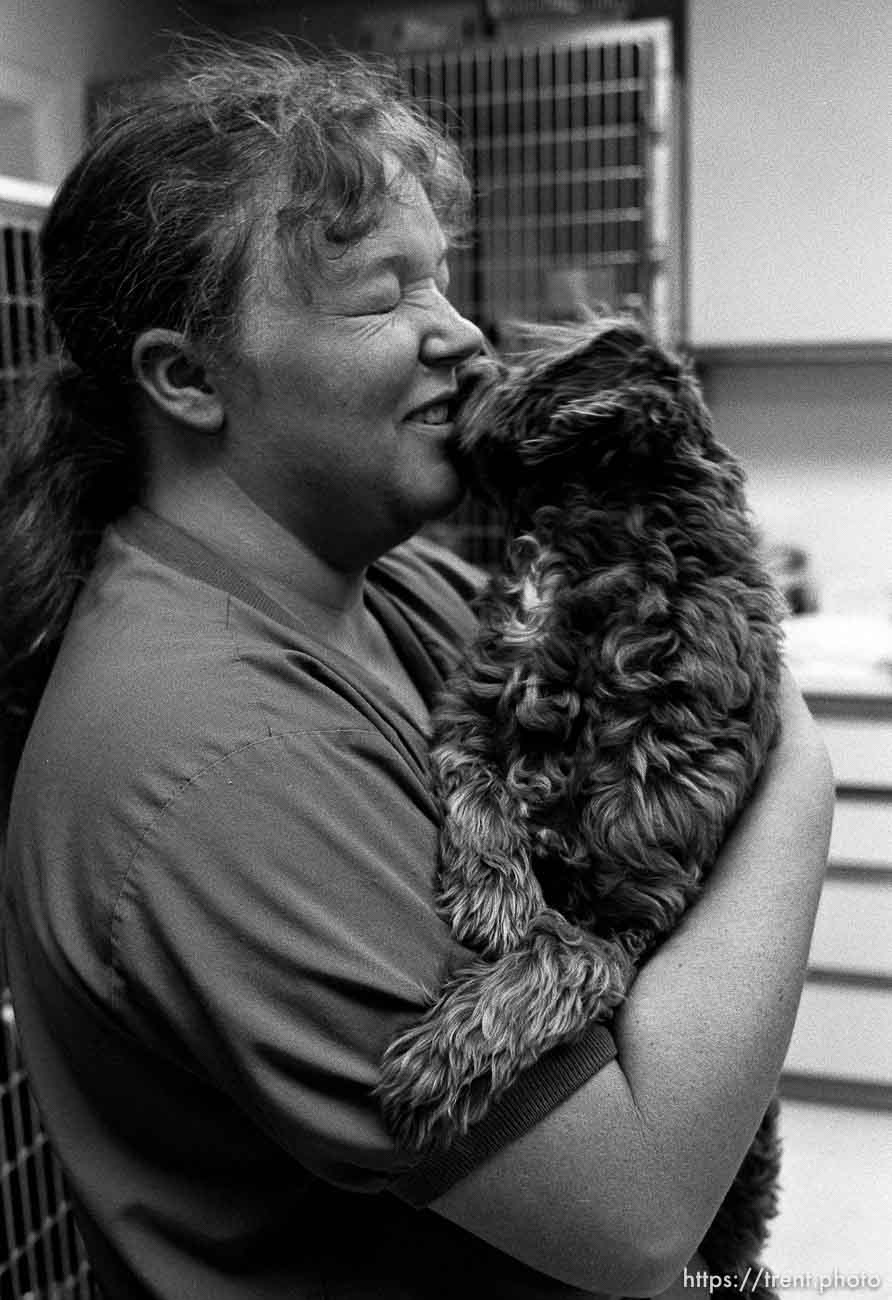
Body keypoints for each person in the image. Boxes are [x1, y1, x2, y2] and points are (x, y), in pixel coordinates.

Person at [0, 41, 834, 1300]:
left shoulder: (388, 584)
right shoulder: (214, 758)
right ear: (186, 377)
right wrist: (801, 772)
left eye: (440, 281)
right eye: (381, 297)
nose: (462, 336)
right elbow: (634, 1214)